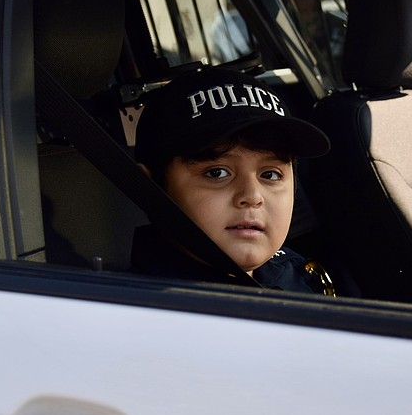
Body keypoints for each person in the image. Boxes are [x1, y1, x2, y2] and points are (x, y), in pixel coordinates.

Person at [130, 67, 335, 295]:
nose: (252, 196)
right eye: (217, 173)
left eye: (270, 175)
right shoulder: (134, 310)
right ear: (150, 189)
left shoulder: (300, 278)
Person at [292, 0, 346, 84]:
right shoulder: (289, 24)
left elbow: (337, 52)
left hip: (330, 78)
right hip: (301, 78)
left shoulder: (330, 22)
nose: (303, 0)